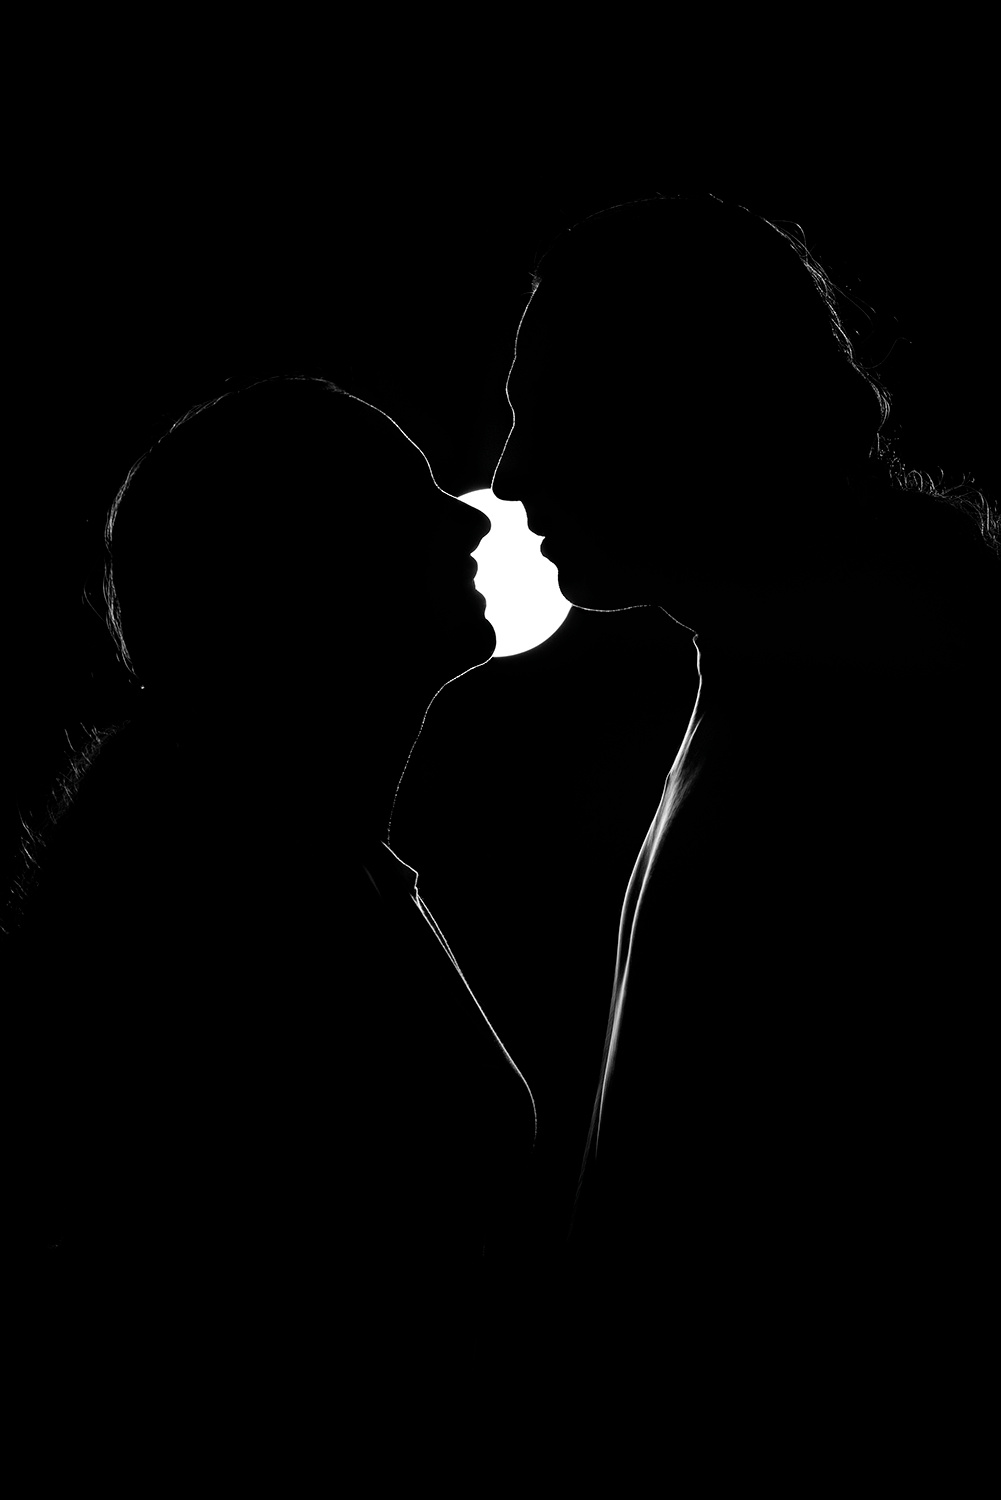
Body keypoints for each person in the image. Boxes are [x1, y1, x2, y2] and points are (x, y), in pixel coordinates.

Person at [492, 193, 998, 1360]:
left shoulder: (894, 714)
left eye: (549, 416)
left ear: (684, 414)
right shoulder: (772, 662)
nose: (508, 475)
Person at [7, 374, 537, 1345]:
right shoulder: (231, 920)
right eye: (406, 498)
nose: (470, 520)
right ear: (305, 573)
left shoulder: (324, 863)